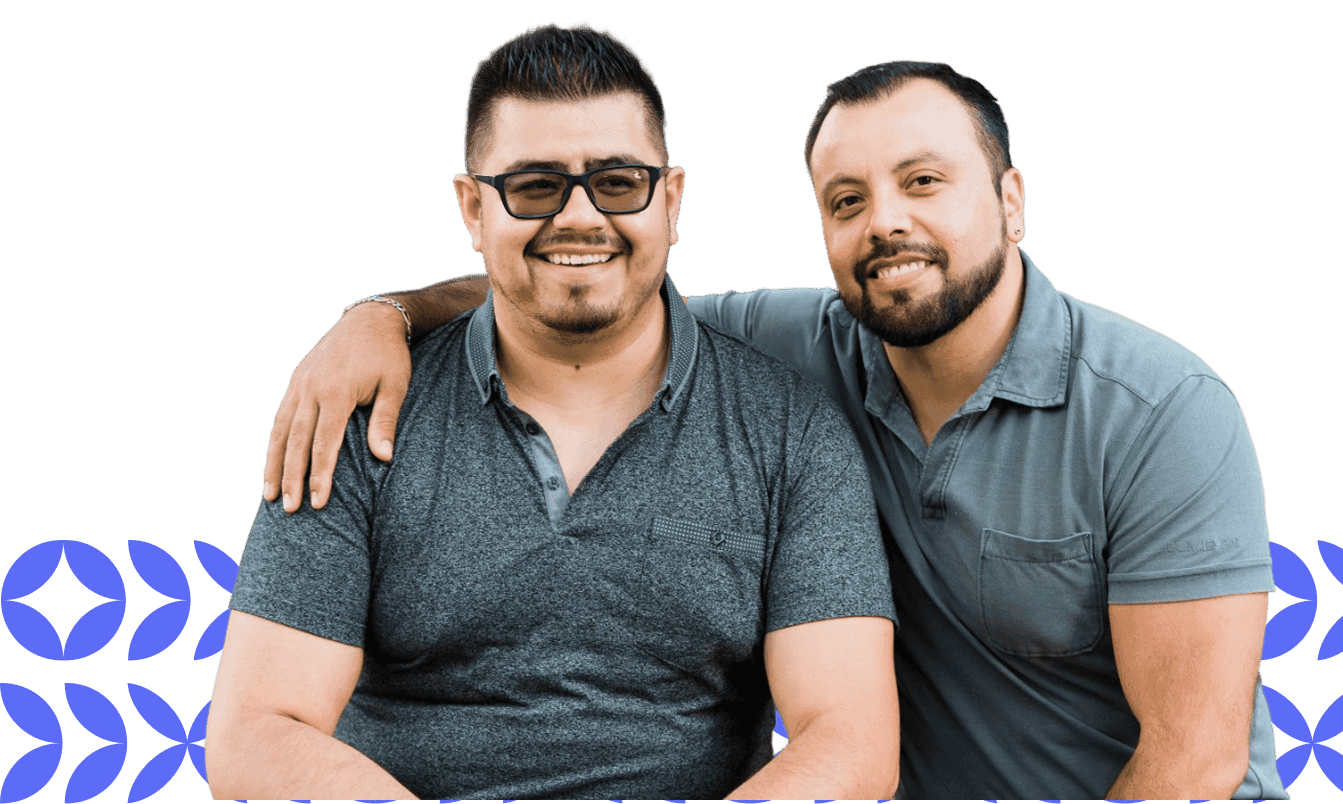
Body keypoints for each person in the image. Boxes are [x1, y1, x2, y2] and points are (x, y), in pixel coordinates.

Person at [264, 59, 1288, 800]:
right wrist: (382, 313)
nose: (886, 222)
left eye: (923, 181)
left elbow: (1192, 764)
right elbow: (583, 285)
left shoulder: (1160, 410)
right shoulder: (798, 347)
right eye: (847, 200)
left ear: (1011, 200)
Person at [204, 24, 899, 801]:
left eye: (616, 182)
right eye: (534, 186)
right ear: (473, 209)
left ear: (669, 201)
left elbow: (851, 740)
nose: (579, 217)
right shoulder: (357, 416)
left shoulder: (789, 431)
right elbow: (256, 734)